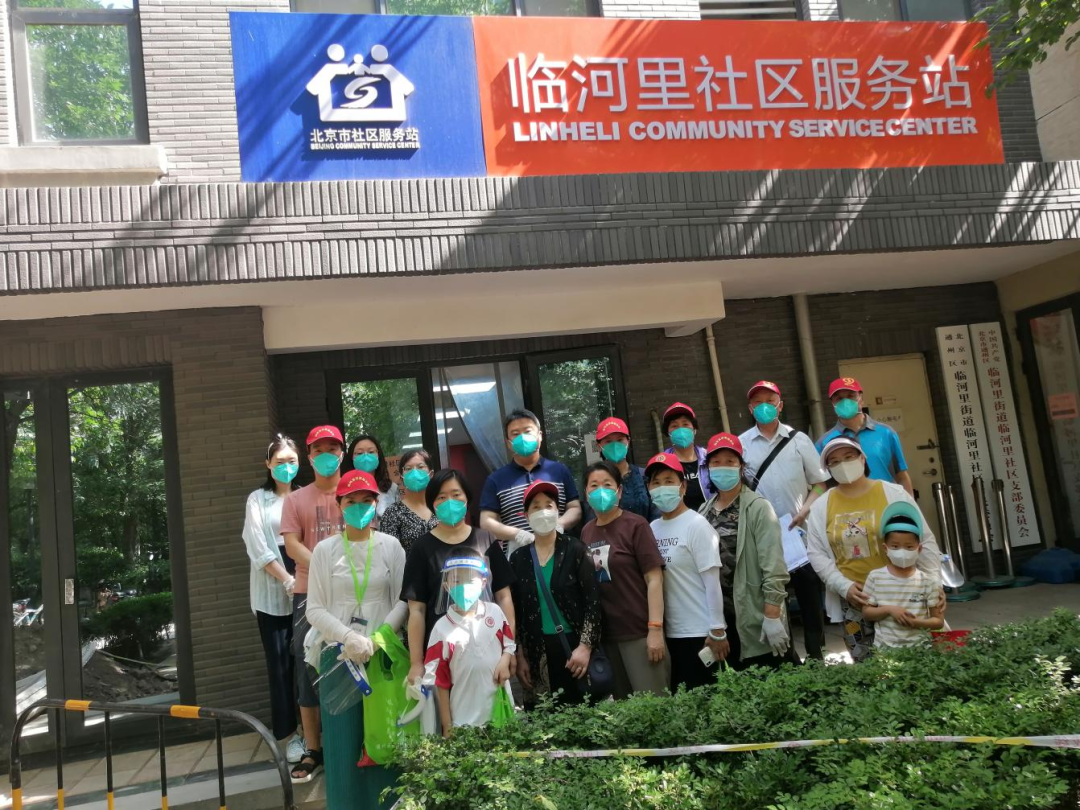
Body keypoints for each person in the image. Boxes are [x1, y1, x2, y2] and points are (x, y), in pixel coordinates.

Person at [304, 470, 407, 797]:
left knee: (385, 740)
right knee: (343, 747)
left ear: (376, 504)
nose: (359, 507)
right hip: (339, 658)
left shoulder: (391, 546)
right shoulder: (325, 550)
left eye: (366, 500)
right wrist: (348, 637)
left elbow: (403, 601)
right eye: (351, 501)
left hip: (381, 656)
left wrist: (378, 640)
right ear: (339, 505)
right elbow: (314, 609)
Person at [806, 437, 941, 663]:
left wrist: (934, 583)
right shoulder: (822, 506)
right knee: (865, 664)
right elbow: (816, 553)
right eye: (834, 461)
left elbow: (924, 540)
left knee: (911, 661)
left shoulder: (893, 494)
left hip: (902, 593)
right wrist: (843, 586)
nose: (843, 464)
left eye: (848, 457)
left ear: (862, 458)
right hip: (855, 599)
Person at [738, 380, 829, 661]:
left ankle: (816, 656)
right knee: (773, 596)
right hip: (763, 537)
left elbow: (820, 484)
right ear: (750, 408)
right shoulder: (741, 444)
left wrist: (805, 510)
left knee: (810, 597)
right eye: (758, 402)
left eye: (770, 400)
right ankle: (786, 658)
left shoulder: (798, 440)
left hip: (799, 535)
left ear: (780, 405)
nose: (764, 406)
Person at [402, 468, 516, 687]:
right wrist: (416, 662)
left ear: (467, 498)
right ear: (432, 503)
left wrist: (508, 650)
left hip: (490, 654)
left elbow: (504, 597)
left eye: (456, 495)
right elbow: (417, 610)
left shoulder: (486, 540)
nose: (450, 502)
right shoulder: (421, 548)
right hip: (442, 658)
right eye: (441, 497)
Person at [281, 424, 346, 784]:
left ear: (342, 452)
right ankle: (313, 748)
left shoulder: (354, 491)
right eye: (318, 450)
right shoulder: (296, 499)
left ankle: (352, 738)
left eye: (332, 449)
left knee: (353, 660)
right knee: (306, 666)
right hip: (309, 592)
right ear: (309, 456)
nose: (326, 455)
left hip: (351, 591)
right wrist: (324, 568)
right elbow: (292, 544)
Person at [699, 433, 795, 670]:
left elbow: (774, 566)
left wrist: (772, 614)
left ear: (741, 467)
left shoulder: (758, 508)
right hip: (722, 619)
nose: (723, 467)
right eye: (716, 462)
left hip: (754, 613)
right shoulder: (704, 511)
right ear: (708, 468)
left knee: (766, 678)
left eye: (730, 461)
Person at [580, 461, 668, 698]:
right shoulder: (586, 531)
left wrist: (655, 629)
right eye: (594, 485)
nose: (601, 490)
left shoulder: (636, 525)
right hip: (608, 637)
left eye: (607, 485)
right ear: (586, 494)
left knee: (653, 706)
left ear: (619, 491)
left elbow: (654, 579)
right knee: (623, 709)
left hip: (640, 633)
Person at [509, 481, 602, 707]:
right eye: (536, 506)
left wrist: (585, 646)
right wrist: (519, 655)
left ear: (557, 511)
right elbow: (516, 612)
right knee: (544, 717)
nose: (543, 511)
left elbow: (593, 602)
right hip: (535, 652)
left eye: (548, 505)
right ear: (526, 515)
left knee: (582, 713)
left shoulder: (576, 549)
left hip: (574, 650)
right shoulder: (518, 559)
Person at [644, 452, 727, 692]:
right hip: (668, 634)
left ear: (683, 486)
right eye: (656, 483)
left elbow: (712, 582)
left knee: (704, 700)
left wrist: (717, 629)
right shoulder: (652, 529)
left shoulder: (697, 525)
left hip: (699, 633)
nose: (662, 488)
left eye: (669, 481)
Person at [241, 434, 301, 761]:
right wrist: (286, 578)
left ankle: (312, 731)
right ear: (268, 464)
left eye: (292, 461)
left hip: (307, 592)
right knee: (280, 667)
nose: (286, 467)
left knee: (308, 664)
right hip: (272, 595)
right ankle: (289, 736)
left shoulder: (304, 495)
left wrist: (302, 580)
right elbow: (257, 546)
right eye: (280, 461)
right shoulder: (258, 499)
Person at [424, 550, 516, 734]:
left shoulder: (495, 613)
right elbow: (440, 682)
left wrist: (505, 660)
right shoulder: (441, 630)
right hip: (463, 723)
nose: (464, 586)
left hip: (500, 716)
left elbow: (509, 643)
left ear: (483, 583)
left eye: (470, 580)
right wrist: (447, 726)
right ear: (446, 586)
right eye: (456, 580)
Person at [480, 409, 582, 555]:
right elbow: (486, 521)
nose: (522, 437)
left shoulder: (559, 471)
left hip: (560, 553)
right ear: (508, 443)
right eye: (515, 434)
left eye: (528, 431)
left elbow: (575, 508)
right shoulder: (495, 479)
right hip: (517, 556)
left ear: (540, 436)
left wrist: (559, 525)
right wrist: (517, 535)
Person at [861, 502, 944, 649]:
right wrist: (889, 610)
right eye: (895, 546)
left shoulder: (927, 581)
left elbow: (938, 621)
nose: (902, 551)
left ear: (919, 549)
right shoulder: (875, 577)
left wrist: (916, 623)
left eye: (909, 547)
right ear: (885, 548)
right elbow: (867, 613)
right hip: (886, 651)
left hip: (921, 650)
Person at [814, 377, 913, 496]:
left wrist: (910, 504)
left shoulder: (886, 433)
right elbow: (820, 485)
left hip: (886, 501)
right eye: (839, 398)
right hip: (848, 505)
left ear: (861, 399)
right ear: (833, 403)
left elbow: (901, 476)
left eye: (851, 396)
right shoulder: (824, 443)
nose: (845, 402)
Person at [582, 417, 658, 523]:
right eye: (608, 441)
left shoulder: (644, 476)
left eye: (619, 440)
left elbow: (657, 513)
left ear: (628, 442)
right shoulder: (593, 481)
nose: (614, 446)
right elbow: (592, 518)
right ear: (599, 446)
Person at [379, 449, 438, 556]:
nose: (414, 472)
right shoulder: (393, 513)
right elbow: (389, 555)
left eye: (420, 467)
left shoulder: (441, 508)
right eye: (408, 468)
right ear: (401, 476)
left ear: (431, 474)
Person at [661, 402, 713, 513]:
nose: (681, 430)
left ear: (694, 429)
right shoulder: (661, 465)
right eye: (674, 426)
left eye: (685, 424)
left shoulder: (709, 458)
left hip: (710, 519)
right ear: (668, 432)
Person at [344, 434, 400, 517]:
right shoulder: (344, 488)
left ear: (378, 455)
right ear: (352, 457)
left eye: (371, 452)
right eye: (359, 453)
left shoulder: (391, 488)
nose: (366, 456)